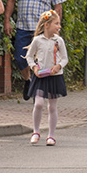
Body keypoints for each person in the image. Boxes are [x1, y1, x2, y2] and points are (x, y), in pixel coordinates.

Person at [4, 0, 66, 100]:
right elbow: (11, 0)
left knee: (43, 60)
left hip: (43, 29)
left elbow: (58, 5)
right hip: (23, 27)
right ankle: (28, 80)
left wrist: (56, 26)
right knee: (20, 58)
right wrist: (7, 21)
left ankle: (39, 89)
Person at [25, 10, 68, 146]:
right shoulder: (37, 40)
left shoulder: (58, 40)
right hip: (41, 76)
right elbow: (29, 56)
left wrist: (59, 66)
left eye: (59, 23)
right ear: (47, 25)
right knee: (38, 103)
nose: (59, 26)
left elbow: (65, 58)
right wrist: (34, 68)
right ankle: (36, 131)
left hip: (55, 76)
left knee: (52, 106)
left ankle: (51, 135)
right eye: (56, 23)